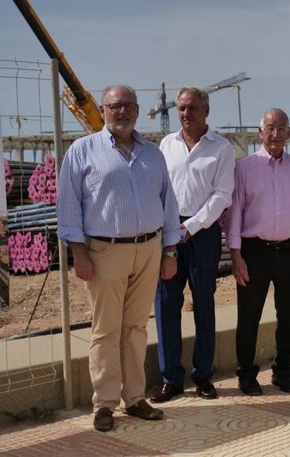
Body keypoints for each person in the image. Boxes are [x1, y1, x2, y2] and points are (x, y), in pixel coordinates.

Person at [57, 84, 181, 432]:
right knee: (106, 328)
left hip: (149, 249)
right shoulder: (82, 151)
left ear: (137, 111)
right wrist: (79, 253)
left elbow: (168, 204)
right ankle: (105, 403)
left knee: (136, 327)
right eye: (115, 106)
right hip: (104, 251)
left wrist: (169, 251)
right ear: (103, 109)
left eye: (128, 106)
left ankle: (135, 398)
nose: (122, 112)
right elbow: (68, 208)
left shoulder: (153, 153)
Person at [227, 108, 290, 396]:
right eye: (270, 128)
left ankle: (282, 372)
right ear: (260, 132)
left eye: (281, 128)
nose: (275, 134)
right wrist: (236, 254)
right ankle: (246, 374)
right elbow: (235, 214)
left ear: (289, 133)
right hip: (254, 252)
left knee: (288, 317)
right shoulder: (244, 168)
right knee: (249, 316)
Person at [151, 87, 235, 403]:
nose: (186, 113)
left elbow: (222, 195)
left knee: (204, 303)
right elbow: (160, 189)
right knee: (167, 303)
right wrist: (172, 229)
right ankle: (171, 378)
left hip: (204, 233)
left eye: (193, 108)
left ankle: (202, 376)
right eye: (182, 108)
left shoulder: (222, 149)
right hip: (170, 233)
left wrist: (193, 225)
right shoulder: (165, 145)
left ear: (206, 111)